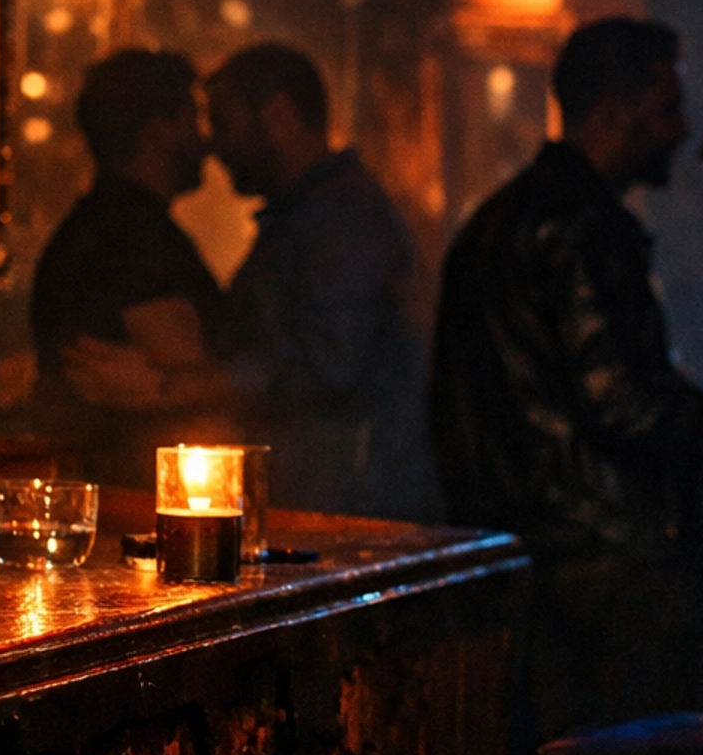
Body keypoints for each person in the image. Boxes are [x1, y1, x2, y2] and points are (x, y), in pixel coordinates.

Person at [431, 16, 703, 749]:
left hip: (530, 552)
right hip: (612, 568)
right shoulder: (585, 226)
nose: (682, 130)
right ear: (617, 109)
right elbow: (620, 402)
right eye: (669, 108)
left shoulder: (495, 223)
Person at [66, 42, 436, 521]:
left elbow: (325, 363)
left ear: (278, 116)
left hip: (348, 508)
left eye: (224, 122)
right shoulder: (313, 217)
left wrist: (166, 387)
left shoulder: (340, 217)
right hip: (328, 504)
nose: (214, 145)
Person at [30, 47, 219, 487]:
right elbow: (187, 371)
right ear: (158, 131)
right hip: (145, 498)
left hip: (118, 494)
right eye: (192, 117)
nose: (206, 139)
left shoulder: (101, 228)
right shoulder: (132, 236)